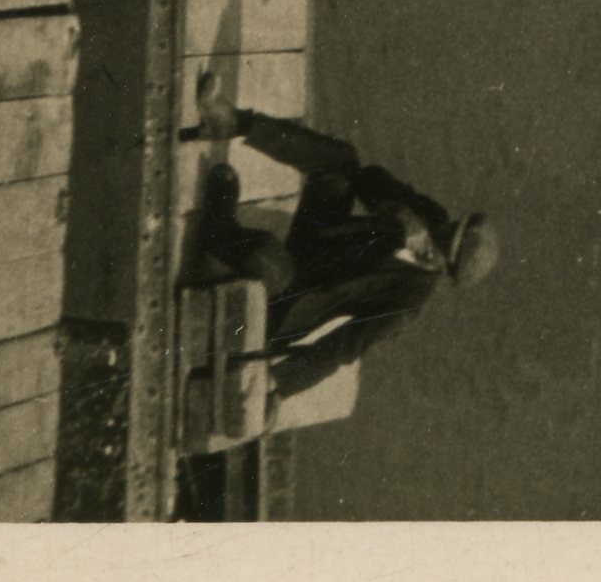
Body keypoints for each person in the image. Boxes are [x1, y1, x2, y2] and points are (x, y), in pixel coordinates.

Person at [184, 97, 496, 404]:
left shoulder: (408, 299)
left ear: (446, 267)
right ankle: (233, 122)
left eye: (447, 241)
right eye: (452, 226)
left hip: (289, 299)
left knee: (266, 256)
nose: (441, 230)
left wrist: (279, 387)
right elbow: (368, 178)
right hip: (312, 243)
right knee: (341, 161)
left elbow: (339, 350)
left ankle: (218, 228)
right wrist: (403, 214)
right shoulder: (431, 216)